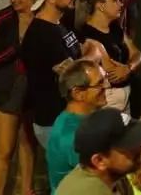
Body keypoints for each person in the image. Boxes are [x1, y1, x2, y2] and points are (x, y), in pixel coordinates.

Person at [20, 0, 102, 148]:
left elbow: (82, 50)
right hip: (54, 122)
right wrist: (93, 55)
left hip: (68, 118)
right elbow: (77, 74)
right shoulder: (41, 34)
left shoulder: (58, 25)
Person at [0, 0, 37, 195]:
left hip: (32, 91)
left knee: (27, 144)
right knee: (4, 150)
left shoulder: (41, 18)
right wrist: (17, 48)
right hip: (8, 91)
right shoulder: (4, 20)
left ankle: (27, 190)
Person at [54, 107, 141, 195]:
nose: (140, 148)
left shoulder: (115, 178)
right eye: (129, 146)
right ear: (99, 161)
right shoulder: (90, 191)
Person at [47, 59, 110, 191]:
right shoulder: (73, 135)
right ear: (78, 93)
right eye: (100, 83)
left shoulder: (85, 120)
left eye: (105, 78)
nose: (107, 86)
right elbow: (105, 176)